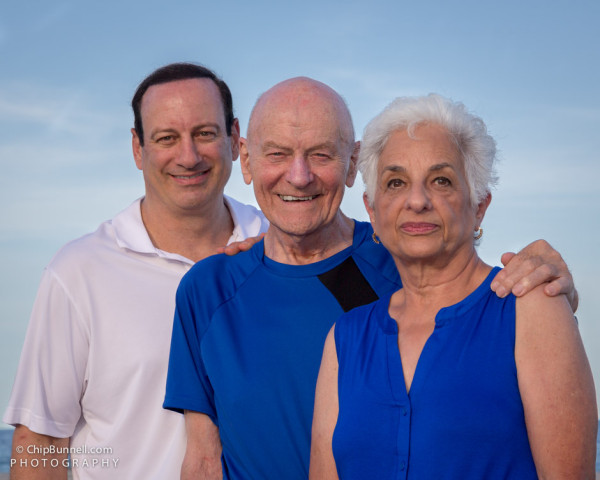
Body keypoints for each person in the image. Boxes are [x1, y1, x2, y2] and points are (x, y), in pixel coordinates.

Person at [163, 77, 579, 479]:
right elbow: (203, 459)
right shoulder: (209, 289)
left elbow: (482, 303)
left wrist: (555, 290)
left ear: (351, 164)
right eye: (277, 154)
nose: (299, 175)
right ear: (248, 160)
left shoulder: (404, 258)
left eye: (321, 154)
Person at [309, 94, 597, 479]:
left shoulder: (530, 308)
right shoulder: (344, 339)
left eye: (441, 180)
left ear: (479, 205)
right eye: (395, 182)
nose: (417, 200)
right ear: (373, 211)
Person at [3, 63, 268, 480]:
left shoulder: (282, 248)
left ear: (235, 139)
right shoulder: (79, 272)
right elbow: (40, 442)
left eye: (205, 133)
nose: (188, 155)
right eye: (167, 138)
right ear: (137, 148)